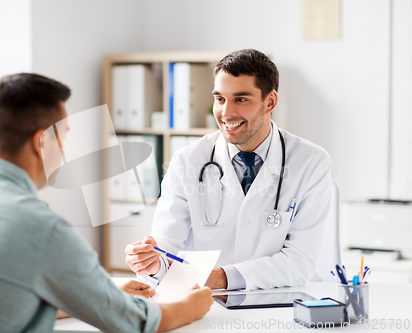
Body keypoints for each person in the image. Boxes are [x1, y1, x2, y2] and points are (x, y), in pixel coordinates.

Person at [0, 73, 212, 332]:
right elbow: (132, 322)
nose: (63, 151)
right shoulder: (40, 227)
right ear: (41, 142)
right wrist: (190, 306)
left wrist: (99, 294)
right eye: (62, 138)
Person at [125, 49, 332, 291]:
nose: (226, 113)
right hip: (205, 302)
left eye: (240, 99)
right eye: (220, 99)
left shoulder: (311, 162)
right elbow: (166, 246)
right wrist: (151, 262)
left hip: (275, 303)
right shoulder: (188, 160)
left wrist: (221, 277)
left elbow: (300, 261)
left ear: (270, 102)